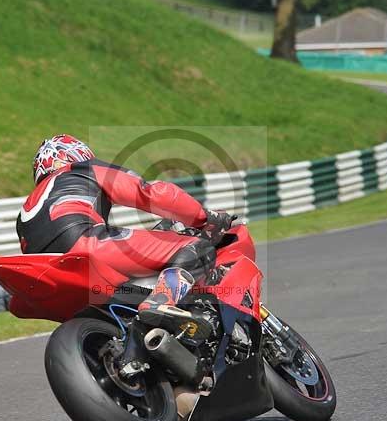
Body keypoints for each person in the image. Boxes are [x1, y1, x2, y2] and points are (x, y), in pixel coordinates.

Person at [16, 134, 234, 338]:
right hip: (84, 242)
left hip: (45, 269)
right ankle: (161, 300)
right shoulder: (83, 168)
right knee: (196, 248)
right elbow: (148, 193)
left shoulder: (27, 207)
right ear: (76, 153)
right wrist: (204, 217)